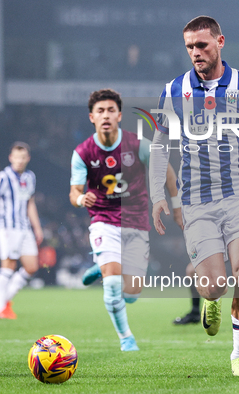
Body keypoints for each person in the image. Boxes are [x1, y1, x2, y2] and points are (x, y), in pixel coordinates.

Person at [150, 16, 239, 376]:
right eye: (189, 46)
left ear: (220, 41)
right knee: (214, 286)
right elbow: (159, 145)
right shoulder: (174, 89)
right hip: (197, 201)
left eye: (202, 45)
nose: (195, 52)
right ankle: (210, 301)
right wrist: (159, 193)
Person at [70, 89, 179, 351]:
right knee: (113, 285)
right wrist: (79, 199)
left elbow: (167, 172)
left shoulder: (138, 145)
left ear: (119, 115)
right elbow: (74, 191)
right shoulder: (83, 152)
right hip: (103, 220)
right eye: (100, 111)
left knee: (131, 294)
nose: (105, 115)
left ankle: (103, 266)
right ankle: (126, 337)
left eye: (110, 110)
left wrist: (176, 206)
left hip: (135, 221)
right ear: (91, 117)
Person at [0, 142, 43, 319]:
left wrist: (36, 227)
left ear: (27, 159)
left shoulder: (30, 177)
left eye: (23, 157)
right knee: (8, 266)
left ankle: (4, 300)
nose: (19, 161)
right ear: (10, 158)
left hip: (25, 228)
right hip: (8, 228)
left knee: (31, 267)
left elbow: (30, 203)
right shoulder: (3, 177)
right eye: (16, 157)